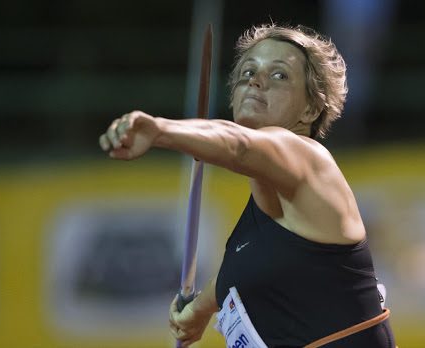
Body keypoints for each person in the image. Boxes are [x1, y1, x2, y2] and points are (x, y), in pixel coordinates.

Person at [99, 24, 396, 348]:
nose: (256, 80)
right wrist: (199, 309)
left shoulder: (311, 162)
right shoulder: (256, 229)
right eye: (247, 73)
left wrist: (160, 130)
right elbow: (239, 272)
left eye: (279, 75)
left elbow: (239, 146)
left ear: (310, 108)